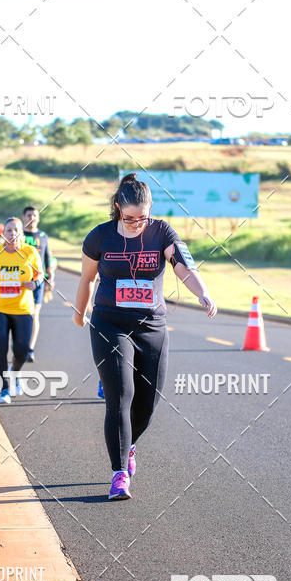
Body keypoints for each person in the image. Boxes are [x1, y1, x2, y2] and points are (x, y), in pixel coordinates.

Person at [73, 172, 217, 501]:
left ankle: (130, 444)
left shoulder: (162, 231)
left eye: (143, 218)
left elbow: (184, 267)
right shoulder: (99, 237)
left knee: (147, 404)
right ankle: (119, 473)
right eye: (130, 218)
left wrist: (202, 293)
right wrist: (79, 313)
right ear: (117, 209)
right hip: (110, 322)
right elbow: (86, 280)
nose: (138, 224)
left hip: (152, 325)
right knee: (120, 397)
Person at [0, 217, 44, 405]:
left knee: (22, 350)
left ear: (21, 234)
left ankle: (14, 373)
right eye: (8, 230)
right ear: (3, 233)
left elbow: (41, 276)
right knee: (0, 348)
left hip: (23, 308)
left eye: (16, 230)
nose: (12, 233)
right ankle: (4, 389)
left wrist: (35, 283)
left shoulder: (30, 252)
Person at [22, 205, 55, 361]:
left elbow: (48, 258)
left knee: (35, 314)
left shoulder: (43, 236)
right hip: (20, 280)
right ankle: (19, 345)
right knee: (21, 314)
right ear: (23, 217)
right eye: (28, 215)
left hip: (38, 281)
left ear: (38, 218)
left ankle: (30, 349)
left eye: (34, 215)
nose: (31, 218)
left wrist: (50, 279)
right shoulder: (18, 234)